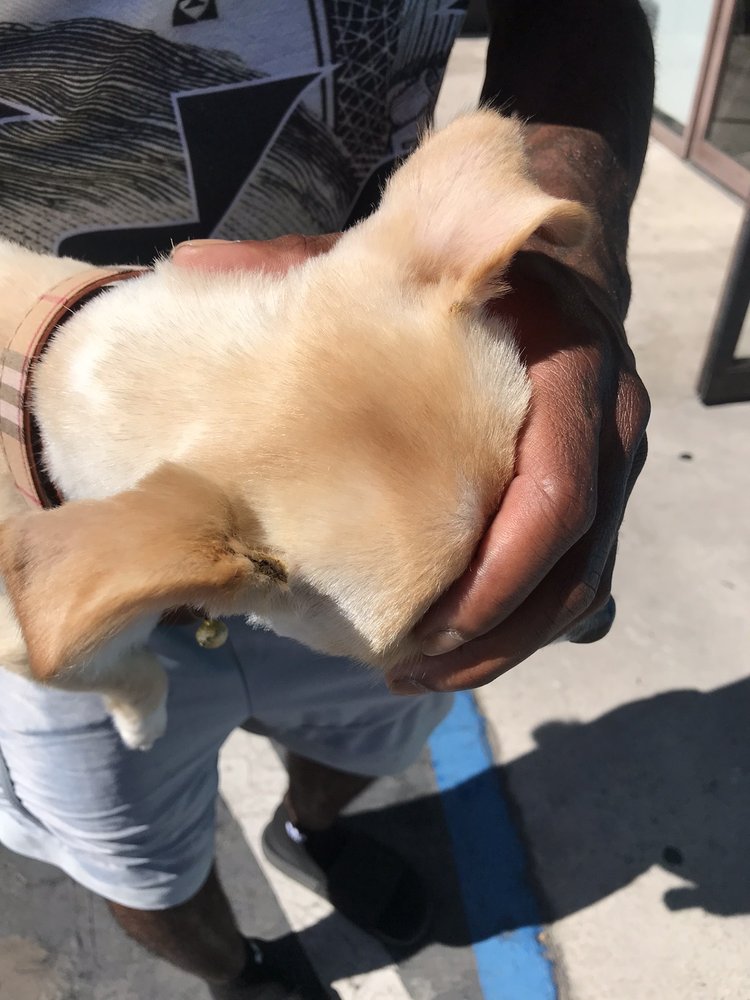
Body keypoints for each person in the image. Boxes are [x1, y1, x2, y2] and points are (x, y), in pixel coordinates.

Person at [0, 2, 654, 997]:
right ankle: (238, 973)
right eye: (433, 604)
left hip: (145, 552)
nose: (565, 597)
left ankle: (309, 828)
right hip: (73, 559)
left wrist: (569, 270)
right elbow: (49, 612)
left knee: (366, 736)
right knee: (137, 860)